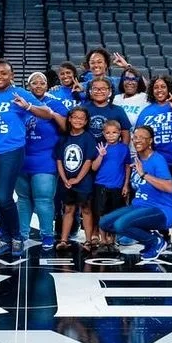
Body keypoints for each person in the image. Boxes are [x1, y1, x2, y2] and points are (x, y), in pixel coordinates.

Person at [0, 59, 53, 256]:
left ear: (11, 76)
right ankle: (5, 236)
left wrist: (28, 106)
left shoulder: (19, 93)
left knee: (5, 197)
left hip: (11, 150)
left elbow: (47, 113)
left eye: (4, 73)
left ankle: (16, 237)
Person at [99, 125, 172, 260]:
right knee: (105, 223)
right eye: (135, 137)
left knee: (121, 225)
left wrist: (144, 175)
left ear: (150, 141)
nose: (137, 140)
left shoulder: (157, 159)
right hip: (141, 205)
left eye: (142, 138)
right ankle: (152, 238)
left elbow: (168, 187)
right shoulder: (137, 158)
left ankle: (156, 242)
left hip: (162, 209)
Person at [15, 71, 67, 251]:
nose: (38, 85)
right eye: (34, 83)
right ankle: (22, 234)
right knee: (23, 199)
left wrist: (52, 114)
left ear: (47, 85)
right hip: (21, 158)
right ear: (29, 86)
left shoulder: (55, 103)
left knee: (43, 199)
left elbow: (66, 127)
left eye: (41, 82)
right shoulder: (20, 102)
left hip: (45, 158)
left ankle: (47, 235)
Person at [139, 75, 172, 253]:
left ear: (170, 89)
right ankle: (163, 236)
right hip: (155, 165)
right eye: (156, 87)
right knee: (159, 203)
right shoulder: (146, 111)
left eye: (163, 87)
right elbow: (139, 137)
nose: (159, 90)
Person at [55, 106, 97, 251]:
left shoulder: (88, 138)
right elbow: (59, 160)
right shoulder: (64, 138)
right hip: (66, 181)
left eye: (82, 118)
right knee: (68, 209)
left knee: (86, 209)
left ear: (86, 121)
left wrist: (78, 179)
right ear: (70, 119)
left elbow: (88, 161)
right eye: (75, 117)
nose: (78, 120)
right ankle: (64, 240)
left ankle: (88, 240)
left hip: (83, 181)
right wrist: (64, 178)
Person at [91, 120, 131, 252]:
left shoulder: (124, 148)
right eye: (108, 133)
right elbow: (94, 167)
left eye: (114, 132)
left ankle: (111, 241)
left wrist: (126, 185)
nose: (111, 135)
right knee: (102, 214)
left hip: (117, 186)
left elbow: (127, 167)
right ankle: (102, 240)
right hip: (101, 185)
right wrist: (101, 155)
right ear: (103, 133)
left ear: (120, 133)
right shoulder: (100, 147)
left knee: (114, 214)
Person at [81, 76, 131, 144]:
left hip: (110, 152)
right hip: (86, 150)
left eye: (103, 89)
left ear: (109, 91)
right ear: (90, 91)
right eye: (95, 89)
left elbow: (125, 134)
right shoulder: (83, 108)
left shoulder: (118, 110)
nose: (99, 91)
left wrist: (123, 151)